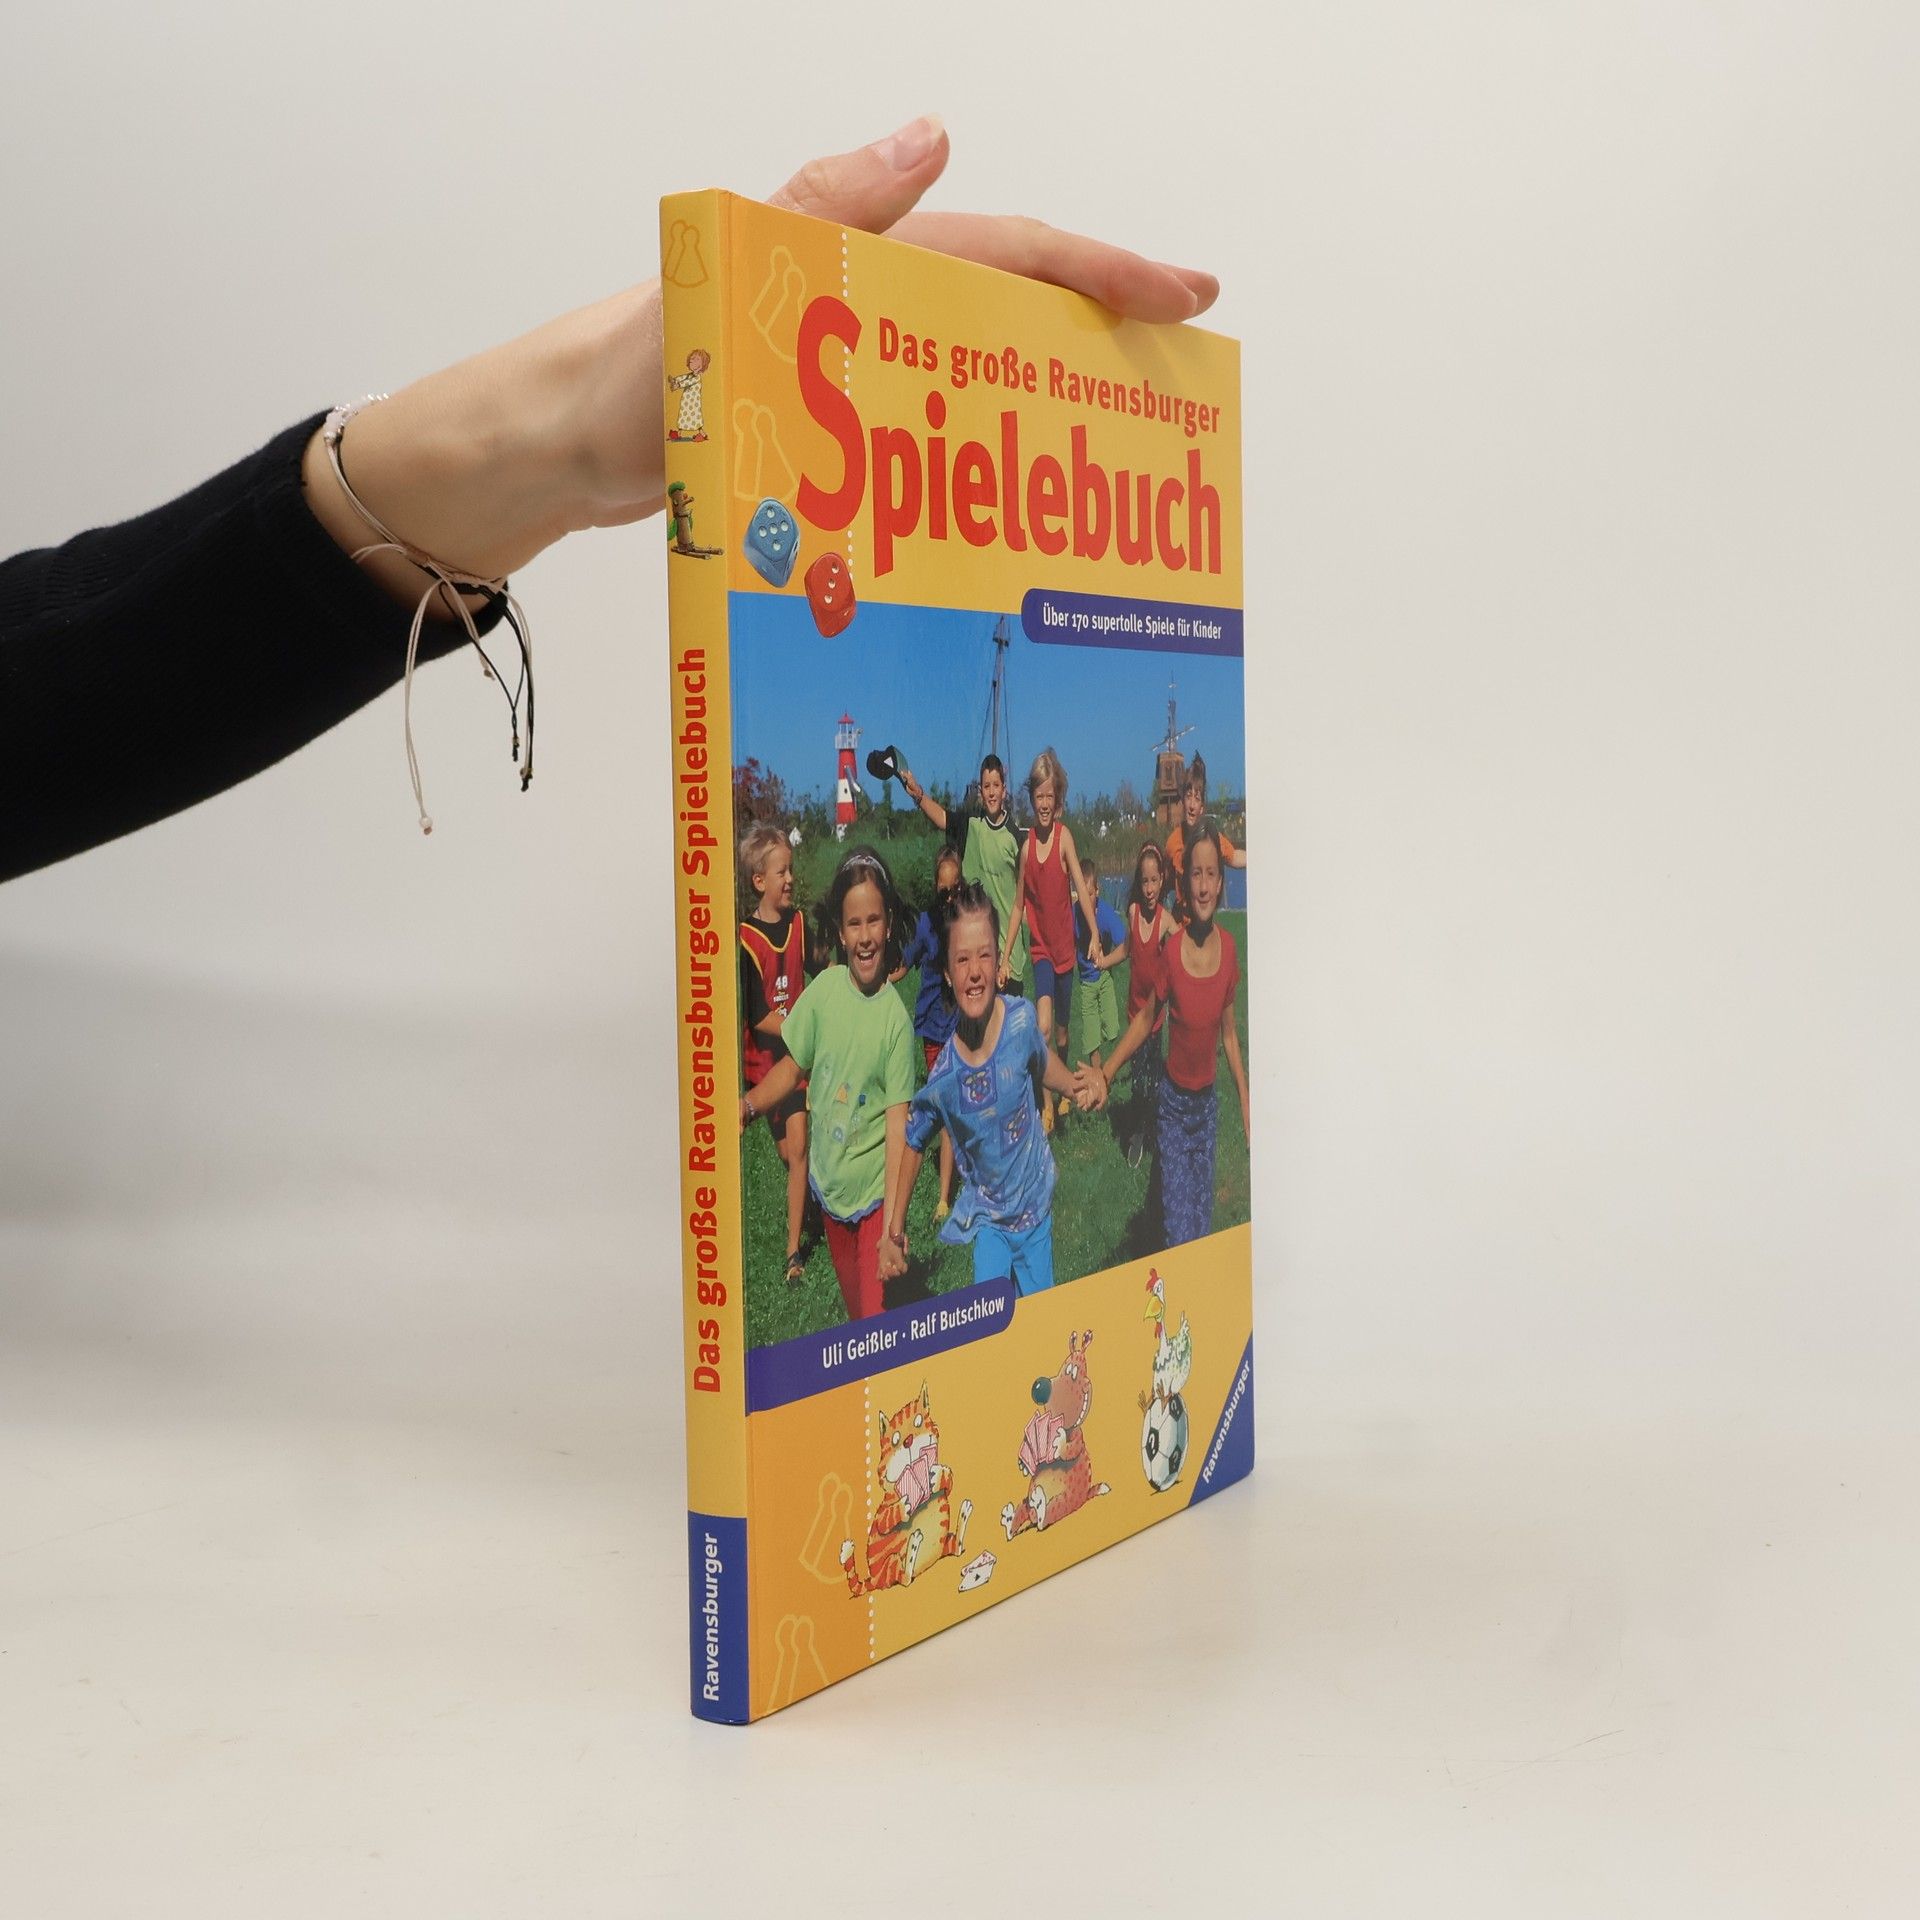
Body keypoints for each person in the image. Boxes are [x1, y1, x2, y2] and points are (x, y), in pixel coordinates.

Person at [0, 119, 1220, 885]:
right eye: (1017, 788)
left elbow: (54, 697)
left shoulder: (1073, 842)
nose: (1018, 798)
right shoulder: (979, 830)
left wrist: (564, 436)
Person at [879, 882, 1087, 1298]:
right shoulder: (945, 1076)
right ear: (947, 972)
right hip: (989, 1221)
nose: (974, 971)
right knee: (991, 1321)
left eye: (984, 955)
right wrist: (894, 1229)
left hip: (1034, 1211)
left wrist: (1078, 1086)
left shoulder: (1021, 1021)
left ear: (999, 964)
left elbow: (1042, 1062)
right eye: (962, 959)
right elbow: (914, 1140)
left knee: (1042, 1323)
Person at [740, 845, 914, 1322]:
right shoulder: (822, 993)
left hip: (875, 1197)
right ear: (840, 931)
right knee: (856, 1313)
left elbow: (898, 1128)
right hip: (831, 1193)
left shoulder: (896, 1022)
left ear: (888, 924)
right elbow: (791, 1067)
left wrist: (893, 1229)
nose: (865, 936)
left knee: (873, 1324)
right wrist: (748, 1106)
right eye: (854, 924)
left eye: (874, 921)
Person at [1086, 820, 1250, 1247]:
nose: (1204, 886)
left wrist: (1247, 1105)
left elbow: (1230, 1037)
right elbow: (1144, 1019)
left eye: (1211, 874)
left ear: (1221, 882)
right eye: (1195, 874)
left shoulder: (1230, 951)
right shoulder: (1173, 952)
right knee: (1179, 1233)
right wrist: (1107, 1073)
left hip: (1207, 1112)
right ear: (1184, 883)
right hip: (1174, 1111)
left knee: (1201, 1230)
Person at [1001, 748, 1103, 1131]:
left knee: (1061, 1031)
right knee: (1042, 1028)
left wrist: (1094, 933)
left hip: (1065, 953)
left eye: (1049, 796)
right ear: (1031, 799)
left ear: (1057, 798)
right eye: (1038, 796)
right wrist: (1005, 956)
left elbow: (1081, 888)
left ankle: (1062, 1088)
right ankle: (1046, 1104)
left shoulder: (1064, 839)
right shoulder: (1027, 849)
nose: (1044, 804)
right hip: (1041, 950)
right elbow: (1018, 906)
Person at [737, 821, 813, 1285]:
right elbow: (756, 1014)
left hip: (795, 1061)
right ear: (759, 881)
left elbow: (819, 968)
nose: (790, 879)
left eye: (791, 870)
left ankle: (793, 1252)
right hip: (763, 1067)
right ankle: (811, 1202)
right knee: (788, 1156)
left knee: (800, 1148)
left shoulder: (800, 923)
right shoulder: (746, 939)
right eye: (781, 872)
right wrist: (796, 1026)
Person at [897, 752, 1027, 996]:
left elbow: (1023, 900)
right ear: (980, 791)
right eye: (986, 786)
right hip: (977, 947)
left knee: (1008, 1018)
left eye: (996, 786)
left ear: (1004, 790)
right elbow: (943, 818)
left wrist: (1007, 957)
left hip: (1008, 955)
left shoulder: (1016, 838)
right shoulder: (970, 824)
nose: (991, 792)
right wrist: (919, 795)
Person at [896, 845, 963, 1222]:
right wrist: (876, 980)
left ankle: (943, 1197)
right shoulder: (925, 924)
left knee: (953, 1106)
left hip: (960, 1026)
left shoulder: (965, 922)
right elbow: (903, 964)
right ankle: (942, 1189)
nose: (949, 897)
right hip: (933, 1030)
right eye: (943, 890)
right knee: (942, 1106)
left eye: (955, 889)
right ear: (936, 887)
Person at [1119, 840, 1176, 1170]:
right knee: (1138, 1080)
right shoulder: (1133, 913)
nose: (1150, 888)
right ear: (1139, 884)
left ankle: (1148, 1128)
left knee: (1152, 1080)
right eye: (1144, 881)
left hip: (1154, 1019)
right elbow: (1126, 950)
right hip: (1134, 1014)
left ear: (1162, 880)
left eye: (1155, 881)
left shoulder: (1166, 921)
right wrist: (1103, 961)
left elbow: (1183, 952)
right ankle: (1140, 1130)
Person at [1164, 753, 1246, 921]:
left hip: (1203, 923)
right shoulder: (1173, 842)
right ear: (1182, 801)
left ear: (1202, 807)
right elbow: (1162, 883)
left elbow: (1234, 856)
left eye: (1197, 799)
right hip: (1179, 926)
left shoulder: (1211, 838)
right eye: (1188, 797)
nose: (1192, 806)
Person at [1069, 851, 1128, 1080]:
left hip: (1104, 979)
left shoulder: (1105, 913)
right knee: (1091, 1037)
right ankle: (1098, 1076)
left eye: (1090, 894)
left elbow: (1125, 944)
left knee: (1112, 1030)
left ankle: (1112, 1065)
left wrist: (1106, 961)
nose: (1086, 900)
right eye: (1081, 894)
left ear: (1098, 890)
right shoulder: (1074, 914)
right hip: (1086, 982)